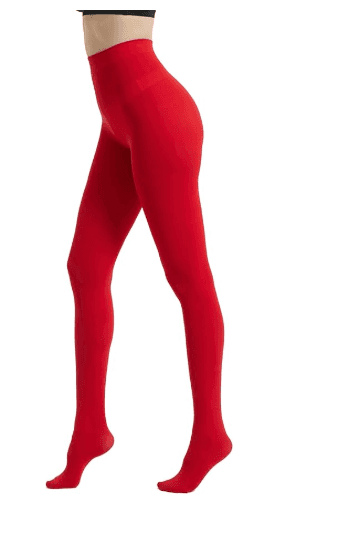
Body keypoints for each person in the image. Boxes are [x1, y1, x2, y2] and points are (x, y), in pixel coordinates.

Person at [46, 10, 232, 493]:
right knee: (85, 267)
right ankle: (89, 431)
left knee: (188, 278)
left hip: (157, 116)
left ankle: (210, 434)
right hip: (119, 120)